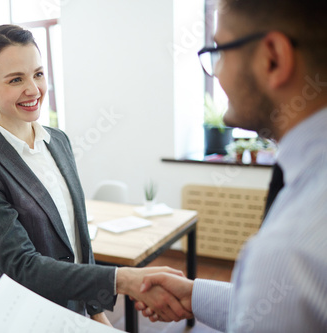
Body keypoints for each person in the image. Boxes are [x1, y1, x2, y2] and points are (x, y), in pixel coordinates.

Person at [0, 24, 188, 326]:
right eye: (15, 79)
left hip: (76, 309)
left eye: (38, 74)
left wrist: (95, 309)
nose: (33, 90)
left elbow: (78, 236)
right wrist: (122, 279)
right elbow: (22, 265)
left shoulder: (57, 140)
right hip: (28, 316)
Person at [135, 0, 327, 332]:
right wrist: (195, 295)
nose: (217, 72)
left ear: (273, 59)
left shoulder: (287, 252)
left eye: (220, 51)